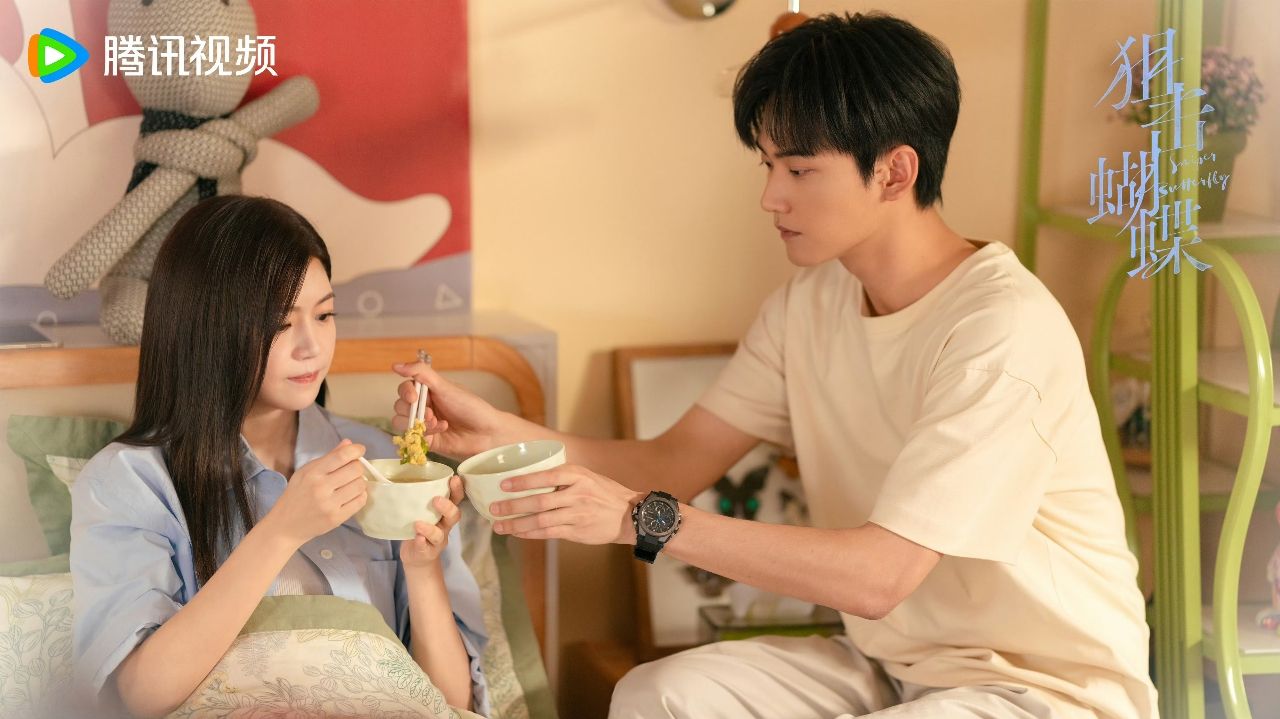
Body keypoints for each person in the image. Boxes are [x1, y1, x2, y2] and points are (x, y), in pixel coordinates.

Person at [393, 11, 1159, 719]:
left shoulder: (1000, 329)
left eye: (798, 170)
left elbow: (878, 575)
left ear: (895, 172)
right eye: (768, 165)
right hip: (894, 668)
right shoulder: (811, 304)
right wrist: (498, 434)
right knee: (657, 695)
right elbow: (671, 462)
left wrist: (637, 518)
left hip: (1043, 690)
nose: (769, 197)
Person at [70, 195, 489, 718]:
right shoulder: (130, 481)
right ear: (206, 328)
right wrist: (280, 533)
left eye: (325, 314)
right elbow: (139, 694)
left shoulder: (387, 462)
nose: (312, 345)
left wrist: (422, 570)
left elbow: (451, 704)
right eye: (279, 323)